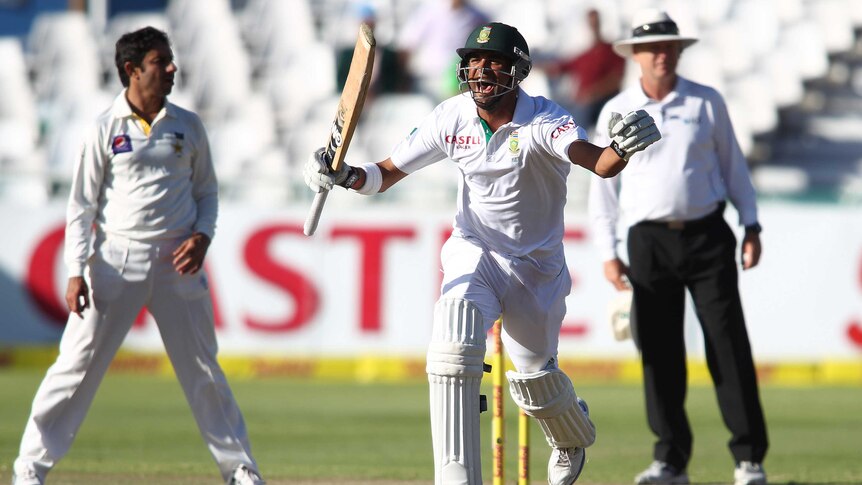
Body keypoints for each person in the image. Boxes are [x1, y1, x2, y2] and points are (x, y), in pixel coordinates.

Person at [304, 22, 661, 485]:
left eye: (494, 62)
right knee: (452, 344)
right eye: (474, 61)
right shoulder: (450, 116)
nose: (481, 70)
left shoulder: (543, 119)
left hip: (536, 268)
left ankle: (569, 435)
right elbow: (384, 174)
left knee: (534, 381)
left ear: (518, 72)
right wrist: (345, 174)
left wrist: (621, 149)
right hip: (476, 249)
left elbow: (598, 163)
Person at [11, 27, 264, 485]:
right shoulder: (103, 129)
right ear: (132, 70)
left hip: (178, 266)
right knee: (75, 366)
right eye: (159, 61)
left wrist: (203, 236)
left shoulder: (188, 124)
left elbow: (206, 192)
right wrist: (75, 270)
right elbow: (81, 206)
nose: (171, 69)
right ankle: (30, 467)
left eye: (170, 60)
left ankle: (240, 469)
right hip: (114, 261)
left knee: (204, 369)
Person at [587, 9, 768, 485]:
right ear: (636, 56)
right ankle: (670, 459)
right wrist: (608, 252)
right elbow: (603, 190)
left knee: (728, 346)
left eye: (669, 47)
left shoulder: (705, 102)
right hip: (647, 242)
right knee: (659, 352)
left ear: (679, 51)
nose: (662, 55)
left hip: (707, 234)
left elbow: (734, 170)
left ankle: (749, 457)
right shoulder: (617, 109)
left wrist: (751, 225)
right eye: (653, 48)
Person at [544, 9, 625, 131]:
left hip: (600, 104)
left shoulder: (611, 51)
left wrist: (594, 93)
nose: (593, 25)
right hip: (583, 104)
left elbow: (616, 80)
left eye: (595, 22)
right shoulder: (587, 54)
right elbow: (564, 66)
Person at [395, 0, 488, 102]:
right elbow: (408, 44)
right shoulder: (429, 10)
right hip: (429, 79)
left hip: (460, 79)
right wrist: (403, 78)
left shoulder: (477, 15)